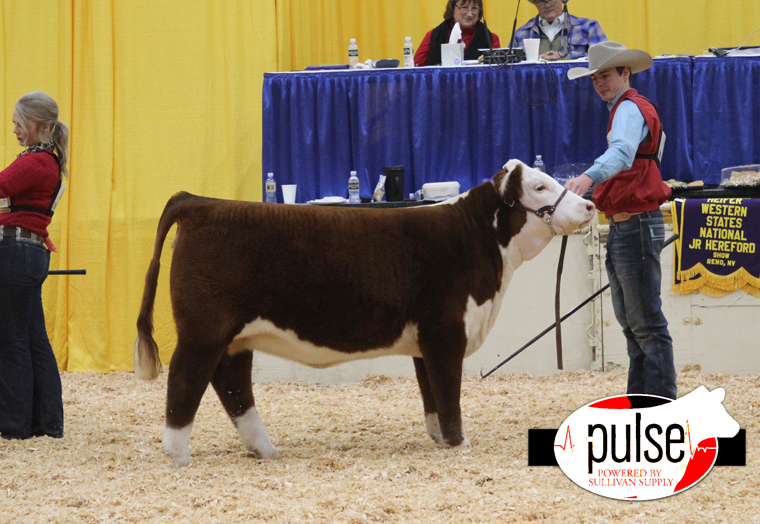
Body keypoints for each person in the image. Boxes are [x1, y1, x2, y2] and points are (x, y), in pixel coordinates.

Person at [565, 42, 676, 400]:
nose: (599, 83)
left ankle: (659, 406)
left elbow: (623, 153)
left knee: (644, 324)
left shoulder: (628, 109)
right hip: (626, 224)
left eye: (606, 75)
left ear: (625, 73)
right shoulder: (629, 109)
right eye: (595, 78)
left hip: (635, 224)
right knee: (635, 324)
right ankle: (643, 403)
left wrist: (588, 177)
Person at [0, 92, 69, 439]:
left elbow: (0, 186)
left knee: (11, 339)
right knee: (32, 339)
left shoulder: (35, 161)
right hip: (29, 252)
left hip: (16, 252)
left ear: (40, 126)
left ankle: (15, 425)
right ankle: (47, 422)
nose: (14, 129)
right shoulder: (48, 161)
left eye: (18, 122)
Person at [414, 0, 500, 67]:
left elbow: (496, 73)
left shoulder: (491, 39)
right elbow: (416, 67)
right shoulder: (434, 35)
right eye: (464, 7)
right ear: (452, 9)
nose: (470, 14)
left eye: (474, 8)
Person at [513, 0, 606, 61]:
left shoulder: (588, 27)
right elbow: (510, 67)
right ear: (535, 3)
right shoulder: (521, 33)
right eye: (541, 1)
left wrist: (567, 57)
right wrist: (536, 60)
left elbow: (604, 59)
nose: (547, 4)